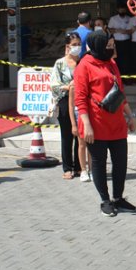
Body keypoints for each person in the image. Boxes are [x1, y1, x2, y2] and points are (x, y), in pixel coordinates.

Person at [74, 29, 136, 217]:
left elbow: (120, 92)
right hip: (95, 122)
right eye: (109, 46)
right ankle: (105, 200)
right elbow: (80, 98)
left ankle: (118, 198)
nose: (112, 49)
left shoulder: (111, 63)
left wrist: (130, 116)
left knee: (121, 162)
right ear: (98, 46)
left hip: (116, 121)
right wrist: (86, 124)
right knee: (99, 162)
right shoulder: (84, 66)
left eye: (113, 45)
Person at [51, 32, 82, 180]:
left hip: (80, 100)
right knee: (67, 135)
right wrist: (68, 87)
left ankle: (79, 166)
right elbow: (54, 84)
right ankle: (67, 167)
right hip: (65, 100)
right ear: (68, 46)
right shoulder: (60, 63)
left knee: (80, 135)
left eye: (79, 44)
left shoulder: (83, 62)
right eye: (74, 44)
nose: (77, 47)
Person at [108, 5, 136, 76]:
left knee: (127, 57)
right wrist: (117, 30)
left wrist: (125, 31)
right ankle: (119, 73)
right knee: (118, 57)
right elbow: (109, 29)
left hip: (127, 41)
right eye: (120, 9)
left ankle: (127, 73)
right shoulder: (113, 18)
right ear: (118, 10)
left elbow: (131, 30)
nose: (122, 11)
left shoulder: (129, 18)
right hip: (117, 42)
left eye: (123, 9)